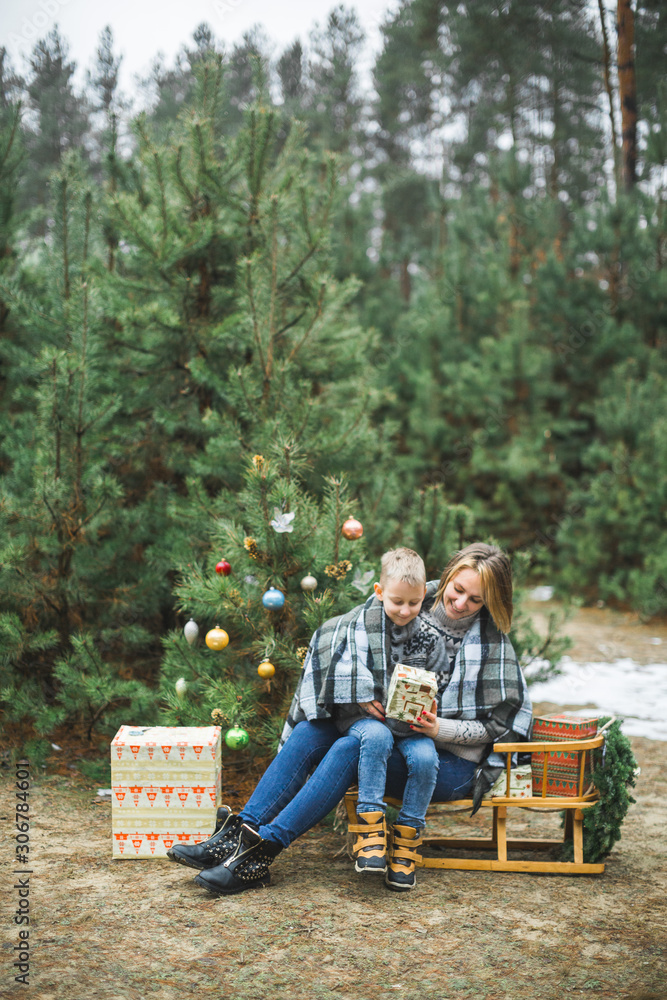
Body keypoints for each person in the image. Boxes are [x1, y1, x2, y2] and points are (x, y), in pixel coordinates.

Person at [166, 542, 532, 896]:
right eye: (458, 590)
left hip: (445, 763)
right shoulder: (405, 600)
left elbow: (495, 728)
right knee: (313, 730)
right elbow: (349, 643)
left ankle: (262, 853)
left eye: (476, 600)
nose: (461, 603)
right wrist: (358, 691)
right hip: (385, 731)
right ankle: (237, 833)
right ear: (448, 575)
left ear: (490, 603)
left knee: (350, 747)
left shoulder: (492, 644)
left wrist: (440, 728)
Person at [330, 548, 448, 887]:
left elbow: (439, 679)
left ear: (424, 594)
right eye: (397, 601)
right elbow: (343, 667)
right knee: (378, 737)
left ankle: (406, 843)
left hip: (410, 727)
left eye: (413, 603)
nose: (405, 610)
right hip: (366, 719)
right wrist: (361, 692)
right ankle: (371, 831)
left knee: (426, 759)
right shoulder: (361, 626)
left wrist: (431, 704)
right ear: (380, 592)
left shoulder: (429, 635)